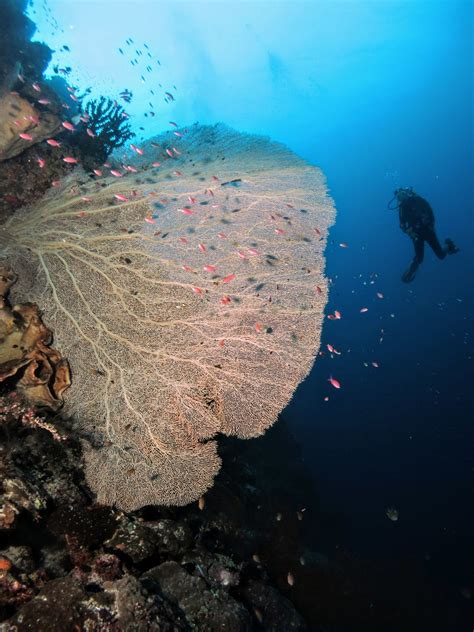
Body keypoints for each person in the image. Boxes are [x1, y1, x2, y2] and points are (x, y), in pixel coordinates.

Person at [389, 187, 459, 283]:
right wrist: (409, 232)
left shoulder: (417, 200)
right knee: (419, 258)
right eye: (398, 196)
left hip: (427, 231)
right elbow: (402, 225)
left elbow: (429, 210)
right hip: (416, 235)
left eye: (401, 194)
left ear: (405, 193)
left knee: (441, 255)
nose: (400, 197)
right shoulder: (401, 209)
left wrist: (431, 224)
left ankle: (449, 245)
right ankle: (408, 275)